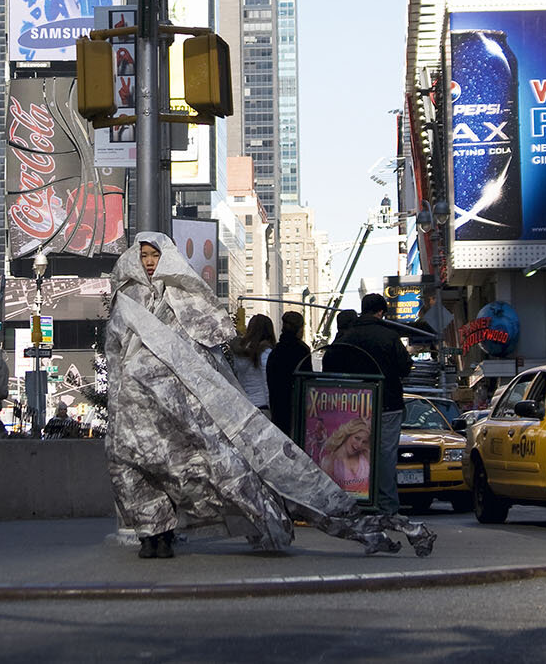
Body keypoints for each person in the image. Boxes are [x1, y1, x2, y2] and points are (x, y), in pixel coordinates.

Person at [105, 232, 435, 561]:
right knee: (137, 466)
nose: (149, 262)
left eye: (155, 255)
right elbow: (115, 351)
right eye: (144, 255)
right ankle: (151, 533)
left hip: (181, 403)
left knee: (193, 466)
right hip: (135, 403)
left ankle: (168, 534)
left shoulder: (184, 296)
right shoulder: (127, 298)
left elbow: (203, 353)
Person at [332, 293, 414, 516]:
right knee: (386, 455)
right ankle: (387, 506)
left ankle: (357, 501)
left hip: (356, 405)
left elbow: (334, 365)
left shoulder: (348, 336)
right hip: (388, 403)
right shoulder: (389, 336)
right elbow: (405, 367)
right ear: (380, 312)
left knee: (356, 452)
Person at [265, 311, 311, 438]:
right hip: (296, 408)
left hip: (277, 405)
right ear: (300, 329)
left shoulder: (275, 352)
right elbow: (308, 379)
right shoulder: (303, 350)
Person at [229, 314, 276, 415]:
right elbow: (267, 382)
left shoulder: (239, 352)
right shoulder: (265, 352)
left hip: (245, 406)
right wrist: (272, 408)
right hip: (262, 405)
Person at [318, 417, 373, 495]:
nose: (359, 445)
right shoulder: (329, 462)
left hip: (363, 503)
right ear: (348, 435)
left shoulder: (366, 454)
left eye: (364, 442)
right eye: (357, 438)